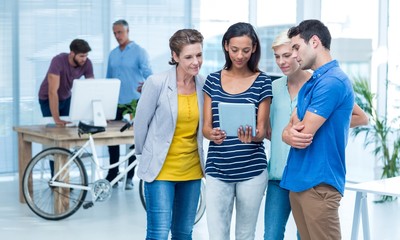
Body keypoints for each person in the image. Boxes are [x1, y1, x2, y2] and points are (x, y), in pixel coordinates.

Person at [264, 30, 369, 240]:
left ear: (314, 42)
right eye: (280, 55)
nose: (291, 57)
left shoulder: (331, 82)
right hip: (294, 176)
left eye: (294, 49)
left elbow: (302, 132)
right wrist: (287, 132)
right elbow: (288, 128)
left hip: (318, 180)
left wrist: (325, 122)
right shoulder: (309, 86)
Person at [202, 22, 272, 240]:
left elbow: (262, 131)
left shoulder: (262, 81)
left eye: (245, 50)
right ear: (225, 46)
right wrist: (211, 134)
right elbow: (206, 127)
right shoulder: (212, 80)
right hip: (217, 170)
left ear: (253, 49)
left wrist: (253, 135)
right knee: (217, 234)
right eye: (234, 50)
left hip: (251, 171)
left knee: (245, 234)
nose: (240, 55)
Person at [134, 29, 205, 240]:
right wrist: (146, 155)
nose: (196, 62)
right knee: (158, 233)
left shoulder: (203, 84)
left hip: (192, 171)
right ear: (174, 57)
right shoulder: (156, 83)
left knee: (184, 233)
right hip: (160, 171)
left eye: (199, 55)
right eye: (188, 57)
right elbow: (140, 125)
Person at [105, 19, 153, 190]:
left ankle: (129, 177)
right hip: (116, 103)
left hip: (134, 103)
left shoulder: (140, 52)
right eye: (115, 33)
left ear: (127, 31)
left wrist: (146, 88)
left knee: (133, 140)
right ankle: (113, 174)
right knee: (112, 139)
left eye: (120, 32)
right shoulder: (113, 54)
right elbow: (108, 80)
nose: (117, 36)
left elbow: (150, 76)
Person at [38, 39, 94, 125]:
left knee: (69, 126)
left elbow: (92, 89)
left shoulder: (87, 63)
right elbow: (52, 92)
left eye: (86, 55)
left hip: (66, 97)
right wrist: (57, 119)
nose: (84, 59)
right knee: (55, 128)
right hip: (48, 98)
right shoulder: (58, 61)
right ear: (72, 53)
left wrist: (98, 115)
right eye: (81, 56)